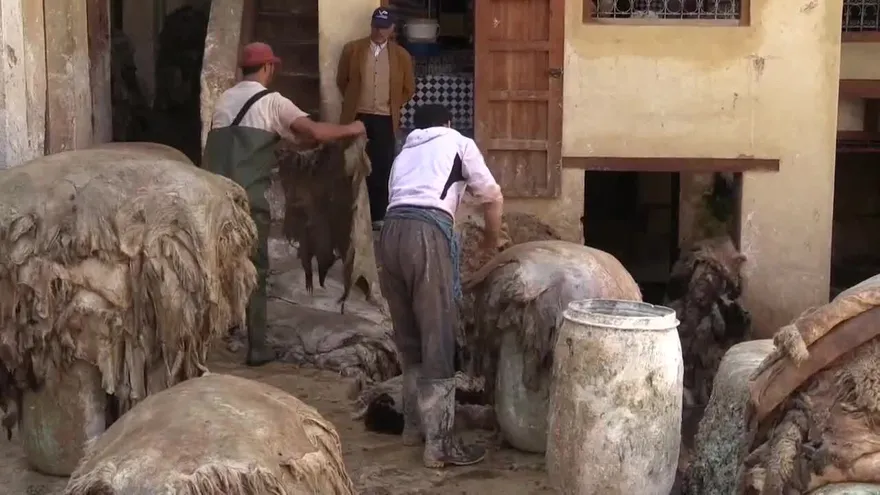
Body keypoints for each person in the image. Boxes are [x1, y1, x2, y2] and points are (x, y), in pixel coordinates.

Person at [202, 42, 366, 367]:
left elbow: (254, 140)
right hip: (247, 201)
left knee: (216, 270)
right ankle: (258, 347)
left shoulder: (223, 100)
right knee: (256, 270)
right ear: (268, 68)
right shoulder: (273, 102)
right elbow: (316, 132)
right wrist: (353, 128)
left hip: (211, 198)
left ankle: (209, 344)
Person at [377, 104, 504, 468]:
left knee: (409, 336)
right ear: (448, 123)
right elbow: (492, 197)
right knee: (438, 335)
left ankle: (413, 428)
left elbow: (402, 198)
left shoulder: (404, 153)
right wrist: (492, 243)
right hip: (425, 235)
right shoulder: (458, 142)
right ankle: (440, 445)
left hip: (390, 233)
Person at [336, 7, 415, 230]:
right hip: (357, 116)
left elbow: (408, 88)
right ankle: (352, 213)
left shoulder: (401, 56)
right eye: (376, 26)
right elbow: (342, 80)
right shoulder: (352, 50)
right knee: (353, 162)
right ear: (371, 25)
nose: (380, 32)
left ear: (392, 29)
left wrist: (392, 104)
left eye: (385, 27)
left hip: (384, 118)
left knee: (382, 165)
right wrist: (354, 102)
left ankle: (378, 215)